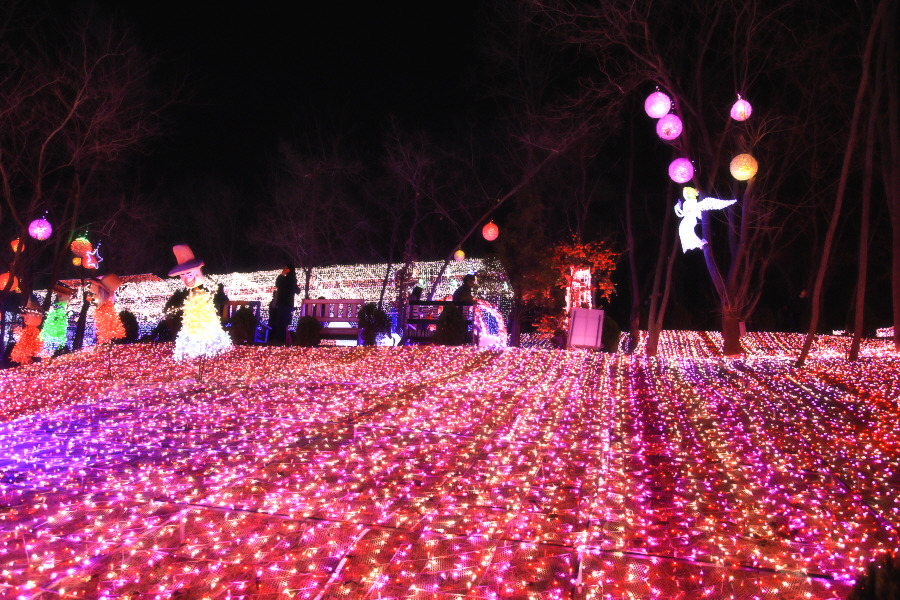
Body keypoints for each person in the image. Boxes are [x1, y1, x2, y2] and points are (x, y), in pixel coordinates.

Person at [270, 264, 300, 344]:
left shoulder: (288, 279)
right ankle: (284, 340)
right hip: (287, 304)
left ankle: (282, 341)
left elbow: (278, 283)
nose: (284, 269)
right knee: (281, 323)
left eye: (286, 268)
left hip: (285, 304)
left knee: (280, 323)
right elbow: (297, 290)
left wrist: (282, 273)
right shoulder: (292, 279)